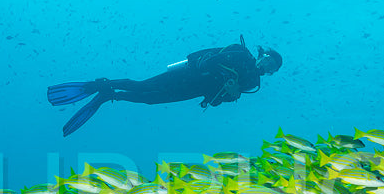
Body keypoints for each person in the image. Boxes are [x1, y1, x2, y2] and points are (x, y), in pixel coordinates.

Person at [47, 36, 283, 136]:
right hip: (188, 75)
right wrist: (225, 76)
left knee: (150, 100)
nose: (266, 66)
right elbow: (210, 61)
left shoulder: (252, 83)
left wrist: (229, 94)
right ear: (262, 54)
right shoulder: (241, 53)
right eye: (268, 60)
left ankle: (110, 95)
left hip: (193, 90)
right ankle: (97, 85)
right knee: (141, 86)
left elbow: (214, 100)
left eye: (271, 68)